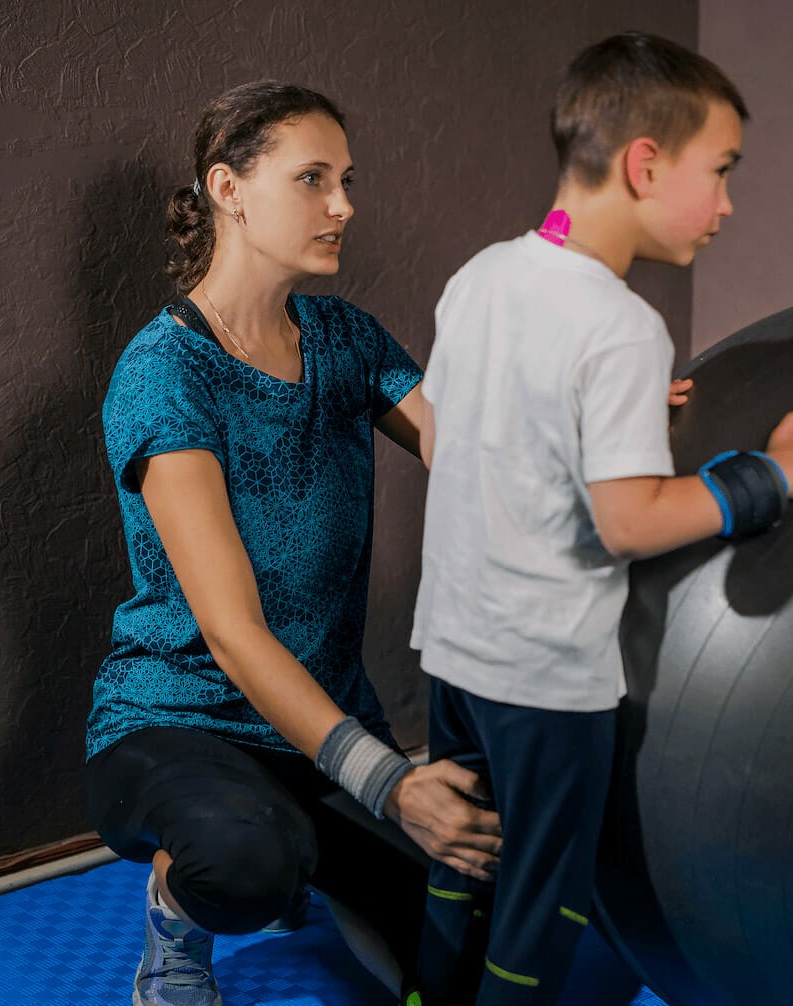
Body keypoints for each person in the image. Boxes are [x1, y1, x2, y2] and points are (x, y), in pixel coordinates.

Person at [409, 31, 793, 1006]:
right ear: (644, 164)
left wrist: (598, 415)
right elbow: (628, 525)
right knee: (540, 905)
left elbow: (459, 428)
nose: (725, 204)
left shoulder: (483, 276)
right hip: (546, 679)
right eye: (718, 172)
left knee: (458, 861)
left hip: (453, 652)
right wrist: (777, 474)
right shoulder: (620, 325)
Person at [84, 81, 502, 1006]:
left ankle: (301, 845)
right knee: (245, 861)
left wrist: (592, 403)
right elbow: (232, 633)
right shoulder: (165, 372)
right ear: (228, 187)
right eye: (312, 178)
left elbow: (471, 450)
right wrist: (391, 786)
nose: (344, 205)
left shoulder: (345, 339)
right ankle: (176, 912)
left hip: (314, 729)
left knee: (475, 926)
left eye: (346, 179)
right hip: (179, 723)